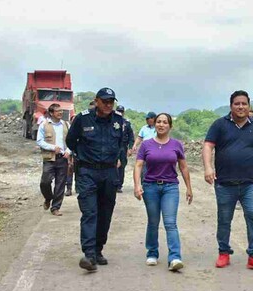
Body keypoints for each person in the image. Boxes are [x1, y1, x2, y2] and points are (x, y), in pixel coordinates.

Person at [202, 90, 253, 271]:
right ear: (231, 106)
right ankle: (223, 252)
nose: (241, 107)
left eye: (244, 104)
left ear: (249, 106)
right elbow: (208, 145)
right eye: (237, 104)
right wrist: (208, 167)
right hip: (225, 183)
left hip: (251, 183)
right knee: (224, 219)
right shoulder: (219, 125)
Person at [66, 88, 124, 271]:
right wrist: (81, 155)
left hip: (109, 174)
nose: (108, 105)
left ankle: (98, 250)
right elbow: (70, 141)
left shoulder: (118, 121)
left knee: (105, 213)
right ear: (96, 101)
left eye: (111, 102)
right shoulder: (83, 119)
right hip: (87, 172)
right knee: (90, 212)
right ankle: (89, 255)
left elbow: (121, 143)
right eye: (105, 101)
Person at [133, 113, 193, 272]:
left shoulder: (176, 144)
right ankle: (152, 253)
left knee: (170, 222)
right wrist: (137, 185)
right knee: (153, 221)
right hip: (150, 187)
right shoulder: (146, 145)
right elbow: (138, 165)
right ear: (154, 124)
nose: (161, 125)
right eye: (158, 122)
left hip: (170, 187)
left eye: (164, 122)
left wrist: (189, 188)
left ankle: (175, 257)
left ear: (170, 126)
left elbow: (184, 167)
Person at [36, 103, 71, 216]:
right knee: (45, 182)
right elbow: (39, 141)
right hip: (49, 158)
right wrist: (52, 147)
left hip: (63, 158)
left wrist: (69, 151)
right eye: (57, 111)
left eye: (61, 111)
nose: (60, 113)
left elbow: (72, 140)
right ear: (51, 113)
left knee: (60, 184)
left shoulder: (66, 125)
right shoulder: (44, 125)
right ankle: (48, 197)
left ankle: (55, 207)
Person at [116, 105, 134, 193]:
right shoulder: (111, 121)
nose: (120, 113)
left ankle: (119, 185)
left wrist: (130, 148)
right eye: (118, 111)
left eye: (121, 111)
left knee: (121, 166)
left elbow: (131, 136)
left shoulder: (126, 123)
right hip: (114, 146)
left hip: (123, 146)